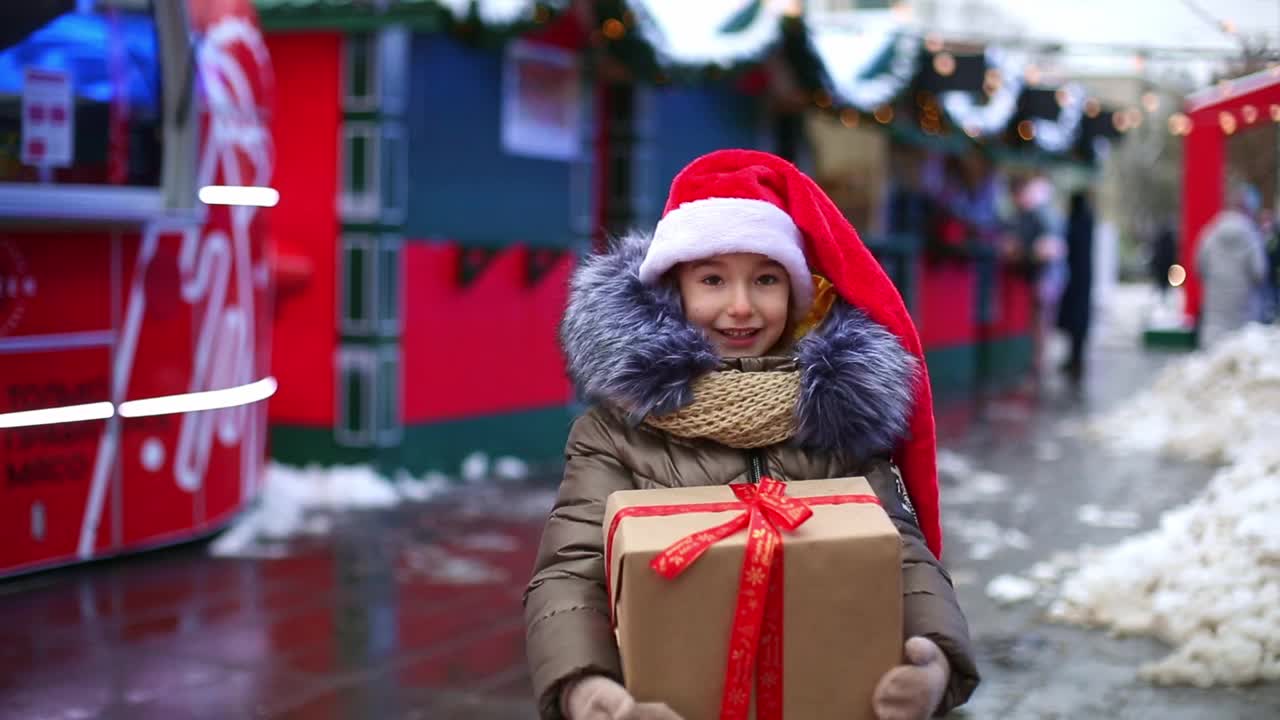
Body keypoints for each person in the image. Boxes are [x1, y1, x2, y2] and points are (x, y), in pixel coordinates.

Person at [524, 150, 979, 720]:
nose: (740, 307)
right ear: (674, 292)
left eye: (765, 279)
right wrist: (586, 687)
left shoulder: (836, 419)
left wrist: (935, 659)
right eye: (712, 280)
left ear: (794, 296)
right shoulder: (616, 433)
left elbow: (902, 554)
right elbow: (569, 574)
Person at [1009, 174, 1067, 384]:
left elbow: (1052, 248)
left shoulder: (1043, 215)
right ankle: (1037, 363)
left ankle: (1038, 364)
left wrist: (1025, 252)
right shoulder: (1029, 215)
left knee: (1041, 321)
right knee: (1039, 321)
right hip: (1041, 277)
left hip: (1046, 278)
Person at [1195, 183, 1267, 347]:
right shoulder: (1251, 237)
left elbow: (1199, 267)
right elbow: (1259, 272)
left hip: (1214, 311)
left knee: (1213, 360)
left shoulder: (1210, 233)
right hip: (1244, 311)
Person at [1056, 190, 1095, 385]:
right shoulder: (1087, 221)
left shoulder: (1076, 223)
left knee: (1076, 322)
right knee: (1078, 323)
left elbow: (1068, 245)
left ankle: (1075, 359)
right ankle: (1075, 359)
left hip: (1075, 280)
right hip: (1082, 279)